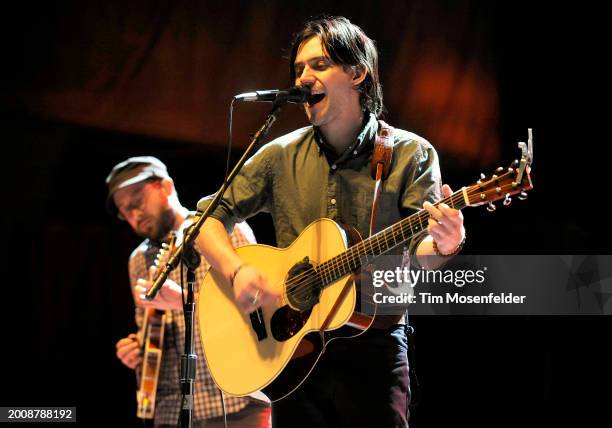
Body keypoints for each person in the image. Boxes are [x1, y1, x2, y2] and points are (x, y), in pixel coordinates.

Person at [190, 16, 465, 427]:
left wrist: (446, 242)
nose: (303, 78)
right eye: (299, 68)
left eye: (318, 65)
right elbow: (204, 221)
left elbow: (420, 256)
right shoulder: (279, 154)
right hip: (294, 347)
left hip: (374, 346)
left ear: (357, 73)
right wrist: (237, 270)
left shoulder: (411, 153)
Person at [107, 156, 271, 428]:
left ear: (166, 187)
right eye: (124, 211)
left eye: (137, 199)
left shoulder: (223, 231)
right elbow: (152, 332)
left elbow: (260, 312)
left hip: (235, 402)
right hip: (169, 411)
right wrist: (137, 348)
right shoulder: (138, 260)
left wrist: (186, 299)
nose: (134, 214)